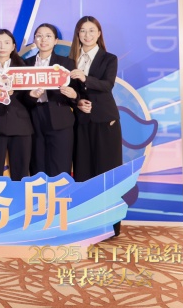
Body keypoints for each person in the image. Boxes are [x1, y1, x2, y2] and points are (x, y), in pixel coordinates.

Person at [69, 16, 123, 236]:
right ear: (78, 34)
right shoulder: (70, 59)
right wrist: (77, 102)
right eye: (83, 31)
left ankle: (110, 226)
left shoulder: (109, 58)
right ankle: (86, 225)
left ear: (99, 33)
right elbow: (68, 91)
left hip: (105, 122)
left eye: (92, 30)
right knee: (83, 173)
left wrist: (85, 78)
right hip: (81, 122)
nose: (87, 35)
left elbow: (107, 85)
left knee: (106, 173)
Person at [25, 23, 77, 177]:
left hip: (59, 117)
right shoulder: (26, 65)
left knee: (60, 167)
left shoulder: (66, 63)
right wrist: (31, 96)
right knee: (37, 166)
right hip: (34, 118)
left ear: (56, 41)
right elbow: (21, 98)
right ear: (34, 39)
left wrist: (73, 95)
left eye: (48, 36)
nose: (43, 40)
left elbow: (76, 94)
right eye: (39, 36)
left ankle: (61, 192)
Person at [0, 29, 33, 181]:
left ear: (13, 46)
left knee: (21, 174)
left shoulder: (24, 68)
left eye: (6, 43)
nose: (2, 47)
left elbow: (30, 101)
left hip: (20, 126)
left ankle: (21, 197)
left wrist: (32, 94)